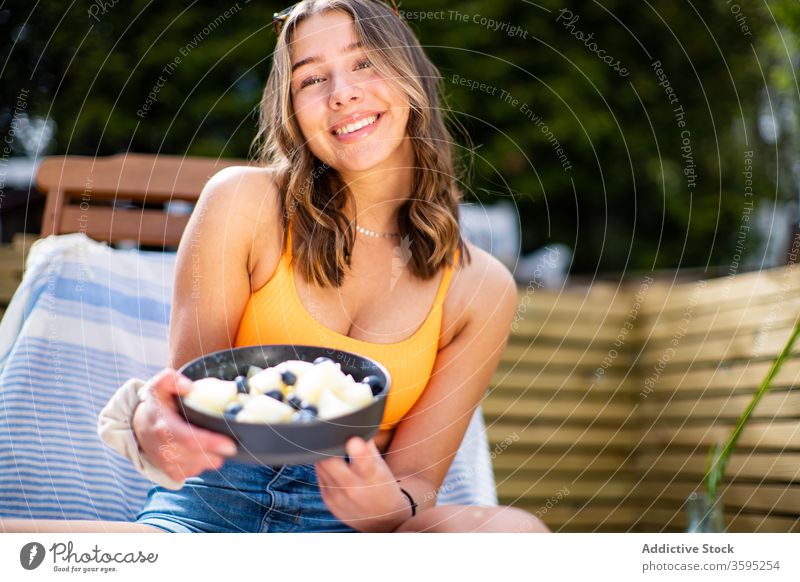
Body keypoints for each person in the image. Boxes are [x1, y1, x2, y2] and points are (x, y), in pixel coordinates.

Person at [2, 0, 548, 534]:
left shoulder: (480, 288)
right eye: (312, 79)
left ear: (412, 78)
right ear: (291, 108)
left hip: (354, 536)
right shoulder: (243, 203)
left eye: (365, 61)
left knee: (515, 533)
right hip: (209, 513)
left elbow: (417, 483)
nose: (342, 93)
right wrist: (155, 422)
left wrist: (387, 503)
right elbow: (188, 397)